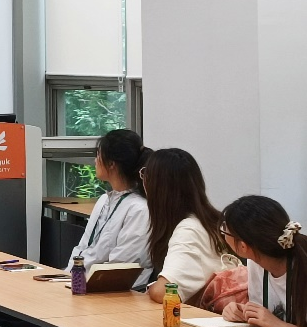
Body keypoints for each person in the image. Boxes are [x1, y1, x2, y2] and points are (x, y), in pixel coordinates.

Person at [142, 148, 230, 304]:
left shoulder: (189, 229)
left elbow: (164, 292)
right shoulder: (211, 220)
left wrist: (151, 288)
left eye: (145, 175)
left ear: (156, 187)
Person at [65, 129, 152, 282]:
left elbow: (120, 267)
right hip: (80, 281)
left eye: (98, 155)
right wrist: (67, 276)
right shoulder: (104, 200)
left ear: (111, 163)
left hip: (108, 288)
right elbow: (83, 247)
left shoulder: (139, 209)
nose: (95, 161)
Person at [220, 195, 307, 327]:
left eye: (225, 230)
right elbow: (267, 320)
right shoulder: (255, 263)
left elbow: (277, 324)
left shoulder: (302, 263)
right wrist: (245, 312)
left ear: (243, 246)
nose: (222, 234)